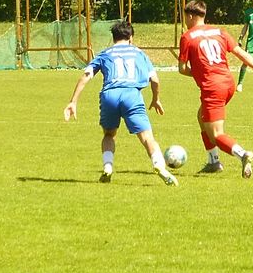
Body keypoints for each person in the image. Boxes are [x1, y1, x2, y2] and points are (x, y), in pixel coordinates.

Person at [63, 21, 178, 187]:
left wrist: (73, 101)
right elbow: (155, 80)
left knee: (109, 135)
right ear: (130, 37)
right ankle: (159, 165)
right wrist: (155, 99)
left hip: (109, 95)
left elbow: (86, 76)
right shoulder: (139, 53)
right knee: (147, 137)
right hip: (132, 95)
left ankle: (108, 167)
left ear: (113, 37)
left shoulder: (105, 53)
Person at [178, 0, 253, 177]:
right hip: (228, 84)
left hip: (213, 87)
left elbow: (182, 69)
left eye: (185, 17)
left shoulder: (187, 37)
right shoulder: (220, 32)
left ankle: (243, 155)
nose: (185, 21)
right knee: (201, 116)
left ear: (191, 16)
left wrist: (201, 73)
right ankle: (213, 162)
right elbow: (242, 54)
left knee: (216, 134)